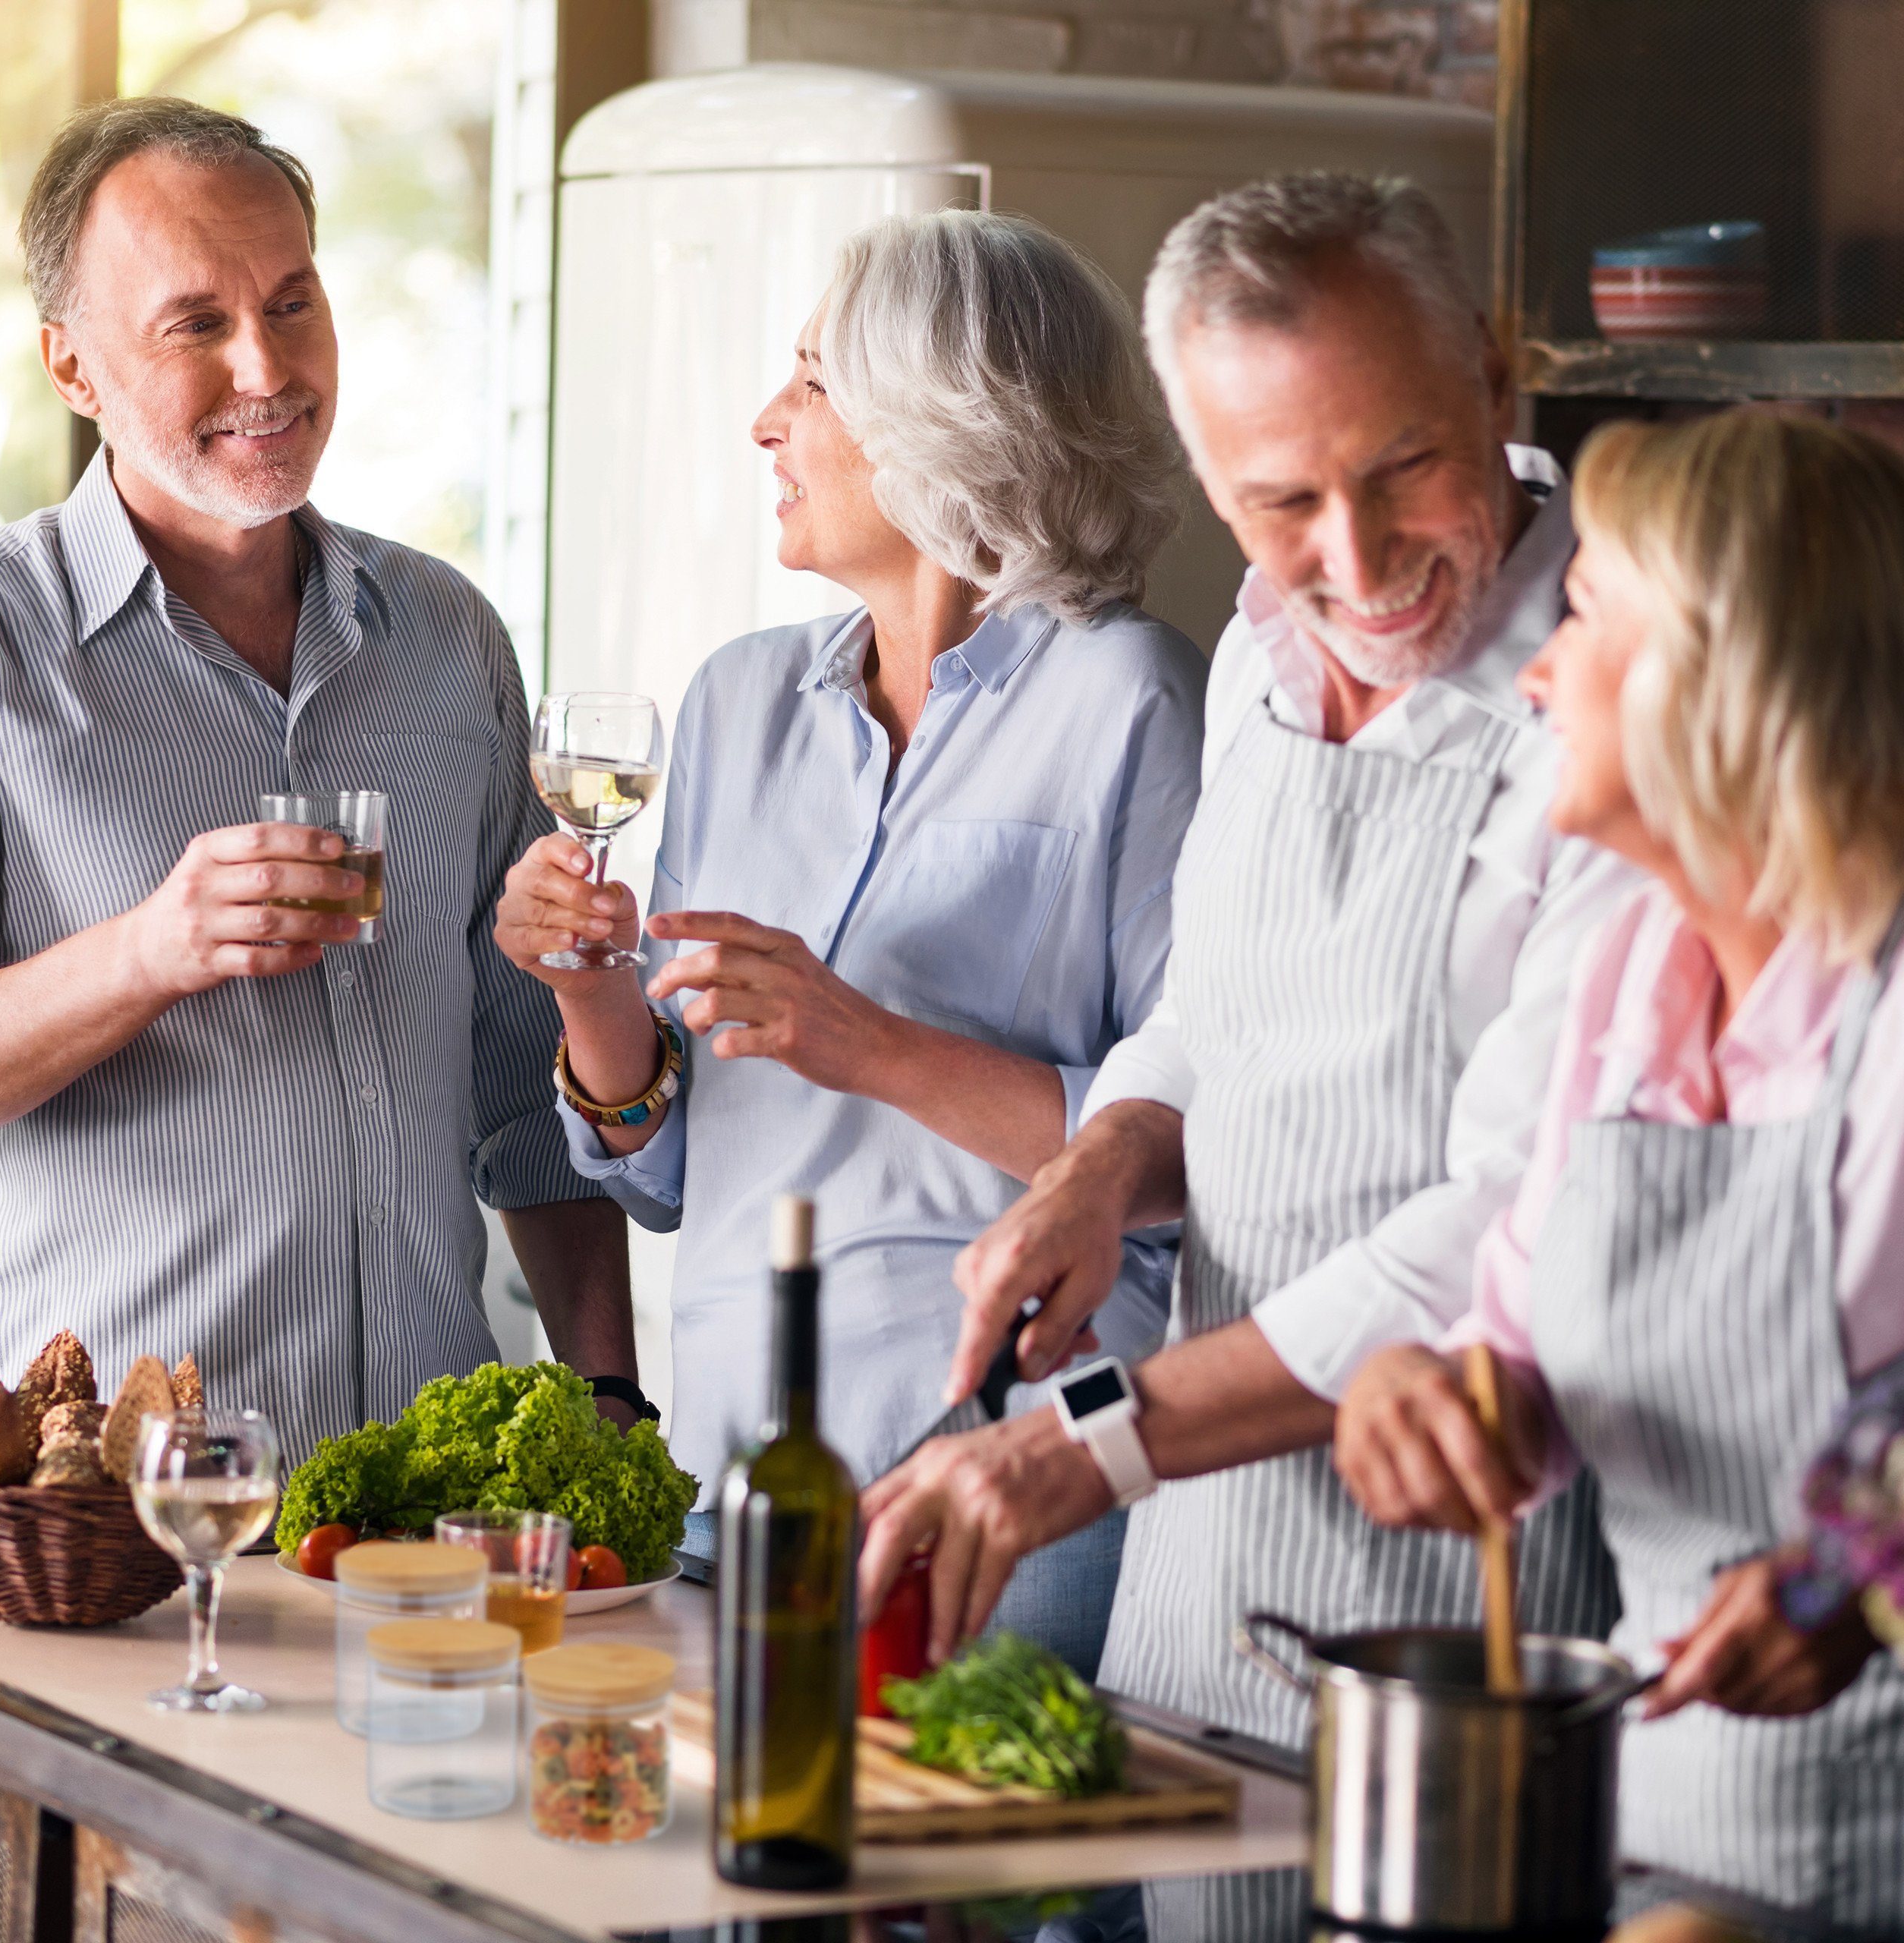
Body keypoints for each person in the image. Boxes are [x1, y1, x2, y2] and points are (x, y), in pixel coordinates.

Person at [859, 174, 1635, 1737]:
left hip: (1474, 1601)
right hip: (1200, 1579)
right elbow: (1206, 1024)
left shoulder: (1623, 689)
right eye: (1279, 504)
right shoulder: (1260, 666)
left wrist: (1082, 1443)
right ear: (1207, 481)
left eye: (1404, 466)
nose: (1354, 561)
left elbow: (1511, 1218)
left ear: (1491, 378)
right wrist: (1099, 1164)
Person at [495, 209, 1204, 1677]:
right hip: (738, 1478)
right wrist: (593, 991)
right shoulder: (743, 697)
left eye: (812, 384)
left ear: (943, 419)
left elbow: (1188, 1157)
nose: (767, 422)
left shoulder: (1133, 701)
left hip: (1012, 1498)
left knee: (1015, 1908)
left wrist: (867, 1042)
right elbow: (672, 1165)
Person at [0, 99, 634, 1467]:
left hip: (418, 1504)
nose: (267, 368)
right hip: (110, 1515)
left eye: (292, 301)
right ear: (74, 368)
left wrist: (609, 1398)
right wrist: (153, 950)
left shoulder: (446, 635)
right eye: (194, 324)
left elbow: (526, 1088)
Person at [1335, 411, 1904, 1927]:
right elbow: (1512, 1355)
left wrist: (1866, 1574)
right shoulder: (1628, 976)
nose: (1533, 671)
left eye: (1581, 616)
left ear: (1725, 673)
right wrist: (1433, 1395)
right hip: (1660, 1843)